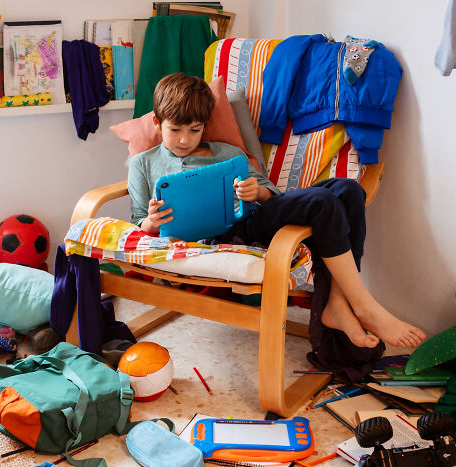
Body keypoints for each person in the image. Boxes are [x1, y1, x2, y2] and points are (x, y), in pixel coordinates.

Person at [127, 72, 425, 348]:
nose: (184, 139)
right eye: (175, 129)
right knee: (325, 201)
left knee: (350, 190)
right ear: (156, 122)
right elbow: (138, 219)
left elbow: (272, 194)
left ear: (204, 125)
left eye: (194, 130)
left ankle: (339, 302)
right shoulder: (144, 163)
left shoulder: (228, 153)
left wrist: (257, 191)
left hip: (250, 222)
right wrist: (152, 222)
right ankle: (360, 305)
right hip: (218, 238)